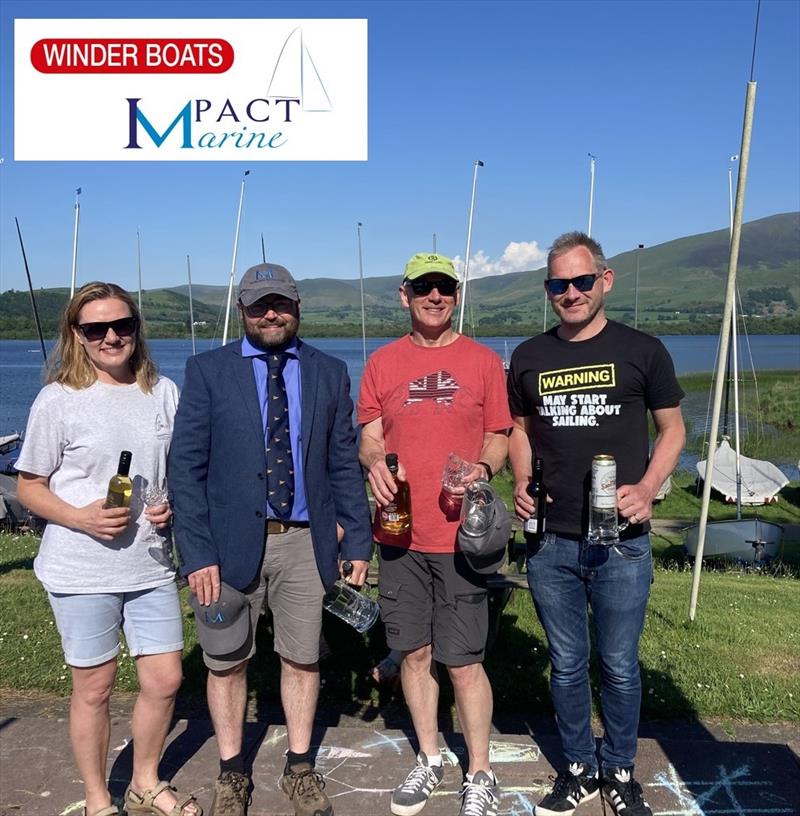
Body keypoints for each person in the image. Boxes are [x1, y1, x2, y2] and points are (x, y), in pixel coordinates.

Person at [169, 263, 372, 816]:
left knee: (303, 659)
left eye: (279, 302)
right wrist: (197, 552)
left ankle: (300, 767)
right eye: (259, 305)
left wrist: (358, 538)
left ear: (297, 305)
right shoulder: (209, 371)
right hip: (226, 545)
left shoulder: (329, 372)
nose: (270, 313)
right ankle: (233, 772)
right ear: (242, 311)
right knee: (226, 663)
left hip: (305, 544)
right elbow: (184, 468)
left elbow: (342, 462)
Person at [507, 232, 685, 816]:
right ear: (548, 290)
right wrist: (520, 484)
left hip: (623, 542)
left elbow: (673, 430)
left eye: (582, 281)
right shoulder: (529, 357)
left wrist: (651, 487)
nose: (571, 293)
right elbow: (521, 431)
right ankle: (580, 768)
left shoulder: (644, 350)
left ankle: (621, 771)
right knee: (565, 665)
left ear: (605, 281)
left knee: (618, 666)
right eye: (560, 284)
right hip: (552, 540)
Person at [15, 282, 199, 816]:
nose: (111, 336)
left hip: (150, 564)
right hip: (80, 569)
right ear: (76, 335)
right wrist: (79, 517)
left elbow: (171, 476)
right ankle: (99, 800)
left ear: (137, 330)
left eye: (122, 325)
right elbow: (29, 486)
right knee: (94, 688)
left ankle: (145, 780)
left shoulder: (162, 392)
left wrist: (169, 508)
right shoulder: (58, 400)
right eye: (96, 329)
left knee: (165, 679)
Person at [358, 252, 511, 816]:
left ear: (457, 294)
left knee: (465, 660)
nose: (435, 296)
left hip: (461, 537)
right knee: (414, 653)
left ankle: (480, 771)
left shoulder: (482, 362)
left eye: (445, 287)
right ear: (405, 294)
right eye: (424, 287)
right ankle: (429, 758)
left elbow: (498, 434)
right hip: (398, 533)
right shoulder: (381, 362)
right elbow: (370, 436)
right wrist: (373, 461)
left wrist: (485, 469)